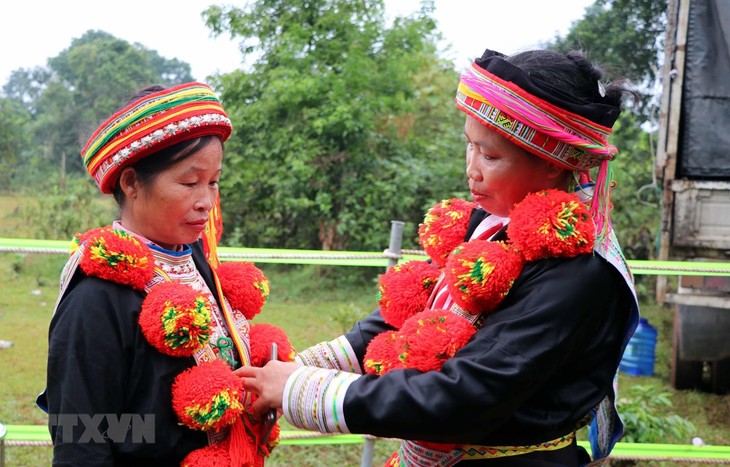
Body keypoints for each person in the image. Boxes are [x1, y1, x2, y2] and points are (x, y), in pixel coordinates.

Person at [236, 48, 640, 466]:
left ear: (555, 163)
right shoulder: (491, 226)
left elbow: (466, 394)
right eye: (470, 146)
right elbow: (413, 319)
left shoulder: (578, 271)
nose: (472, 169)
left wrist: (301, 388)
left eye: (491, 156)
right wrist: (302, 364)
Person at [37, 82, 293, 466]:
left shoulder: (197, 262)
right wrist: (168, 434)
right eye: (190, 183)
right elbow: (82, 431)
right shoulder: (96, 298)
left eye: (213, 182)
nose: (206, 201)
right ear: (131, 182)